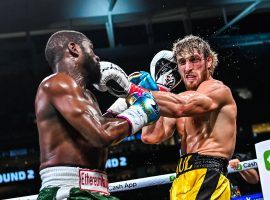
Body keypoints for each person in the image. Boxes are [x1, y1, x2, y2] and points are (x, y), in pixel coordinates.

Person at [35, 30, 160, 199]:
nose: (97, 57)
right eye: (91, 49)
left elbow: (99, 127)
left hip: (95, 190)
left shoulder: (88, 96)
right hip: (68, 190)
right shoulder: (57, 82)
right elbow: (103, 135)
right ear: (74, 48)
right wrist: (141, 111)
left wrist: (124, 104)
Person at [140, 35, 238, 200]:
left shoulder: (218, 90)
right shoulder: (178, 100)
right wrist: (159, 91)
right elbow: (150, 136)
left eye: (194, 60)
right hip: (182, 179)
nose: (187, 68)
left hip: (208, 175)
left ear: (208, 61)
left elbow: (181, 107)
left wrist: (139, 92)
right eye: (182, 62)